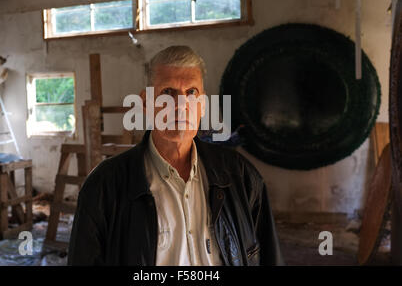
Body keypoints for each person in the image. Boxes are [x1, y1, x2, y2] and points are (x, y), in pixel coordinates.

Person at [67, 46, 284, 266]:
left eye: (191, 93)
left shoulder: (241, 176)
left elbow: (269, 257)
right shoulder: (105, 186)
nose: (180, 106)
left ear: (202, 106)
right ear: (145, 103)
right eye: (168, 92)